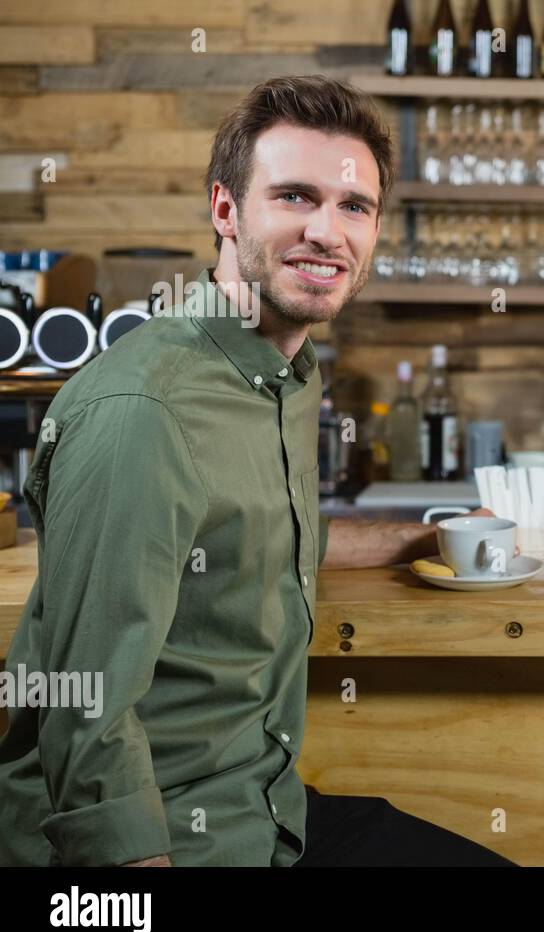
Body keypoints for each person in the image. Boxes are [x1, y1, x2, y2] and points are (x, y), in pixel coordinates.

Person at [0, 75, 514, 867]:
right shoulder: (145, 411)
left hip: (263, 809)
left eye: (354, 207)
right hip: (160, 844)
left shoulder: (283, 375)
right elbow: (85, 710)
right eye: (295, 197)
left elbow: (261, 531)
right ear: (225, 210)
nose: (327, 232)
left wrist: (424, 539)